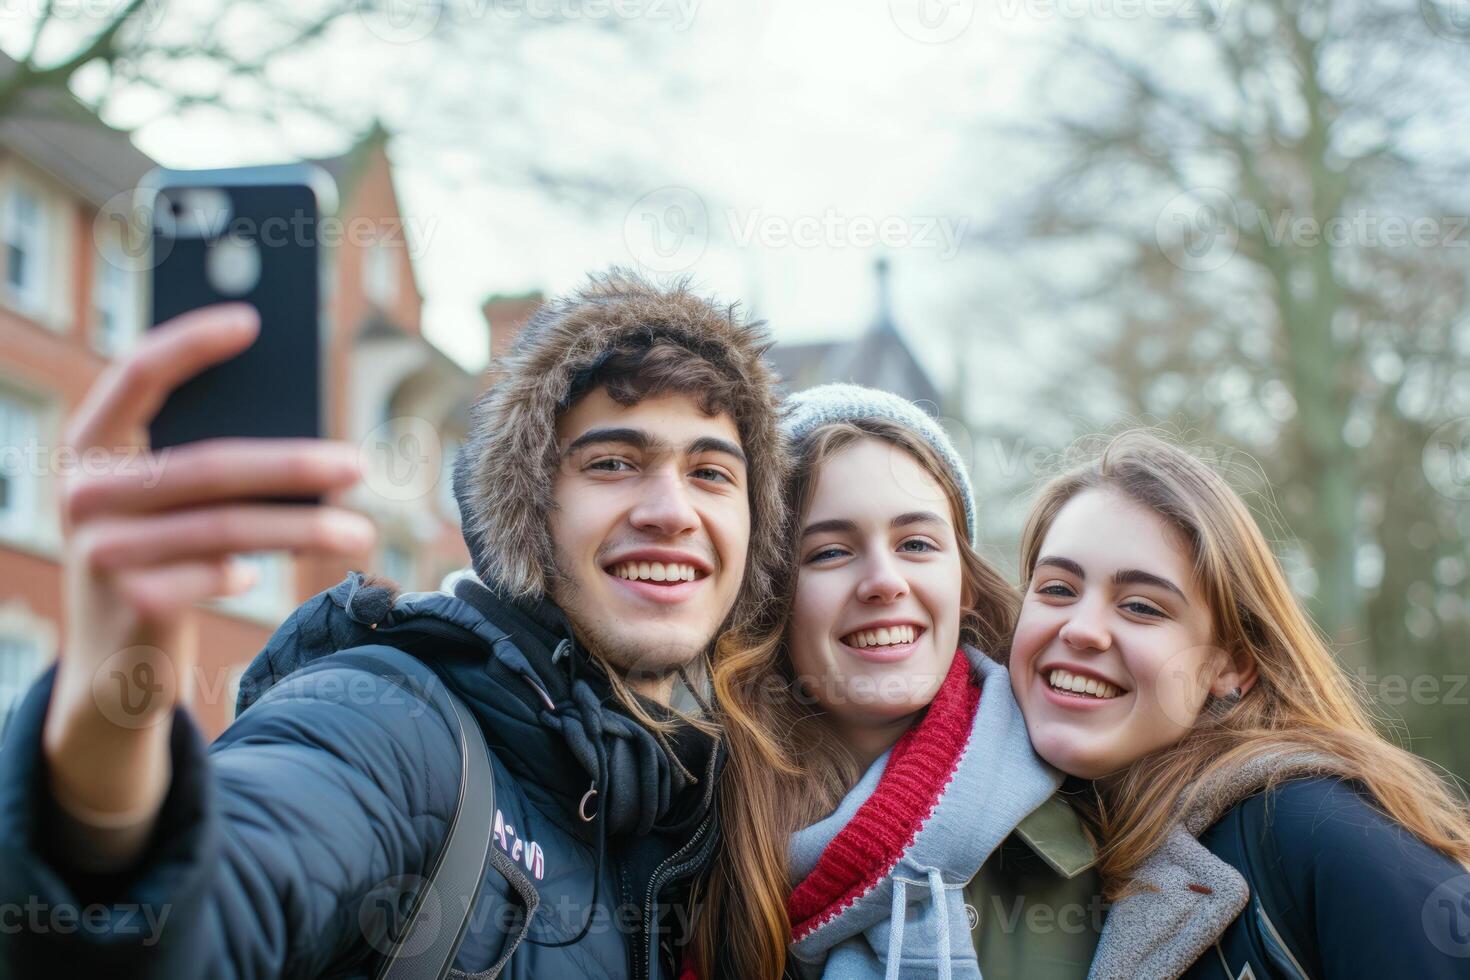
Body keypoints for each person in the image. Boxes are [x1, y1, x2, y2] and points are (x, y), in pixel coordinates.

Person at [0, 269, 787, 979]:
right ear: (524, 514)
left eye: (711, 473)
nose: (670, 511)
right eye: (611, 463)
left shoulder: (728, 811)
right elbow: (171, 927)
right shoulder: (389, 724)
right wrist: (98, 782)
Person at [1007, 430, 1470, 978]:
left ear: (1231, 666)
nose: (1082, 630)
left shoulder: (1320, 832)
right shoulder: (1004, 847)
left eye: (1140, 606)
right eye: (1057, 589)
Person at [691, 384, 1101, 979]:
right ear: (770, 598)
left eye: (916, 544)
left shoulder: (1103, 810)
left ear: (964, 585)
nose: (884, 581)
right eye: (830, 552)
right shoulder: (687, 837)